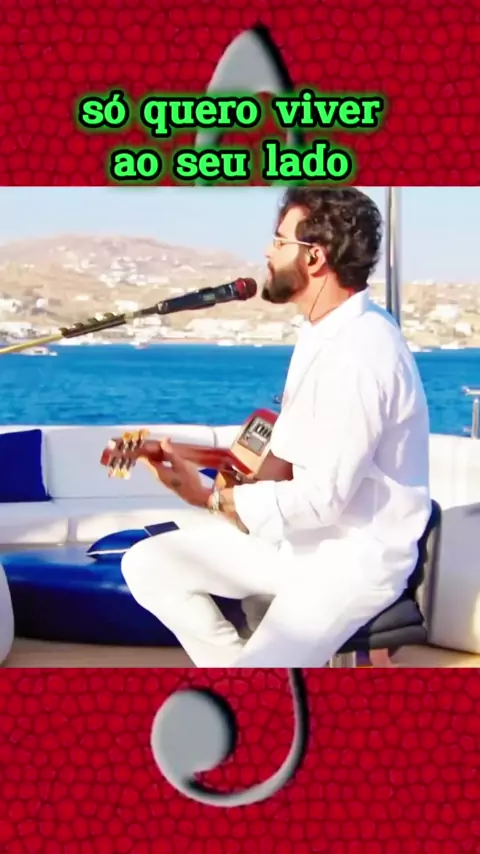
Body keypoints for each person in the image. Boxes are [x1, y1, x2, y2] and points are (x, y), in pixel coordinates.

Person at [121, 187, 432, 668]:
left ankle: (250, 682)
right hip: (298, 547)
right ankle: (237, 674)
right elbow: (286, 460)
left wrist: (211, 500)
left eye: (279, 240)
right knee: (149, 562)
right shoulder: (321, 332)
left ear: (315, 257)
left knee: (258, 675)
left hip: (349, 562)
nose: (267, 252)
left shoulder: (360, 353)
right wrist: (196, 472)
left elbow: (320, 502)